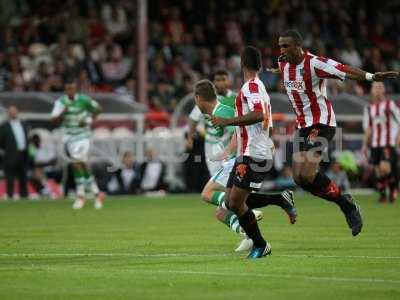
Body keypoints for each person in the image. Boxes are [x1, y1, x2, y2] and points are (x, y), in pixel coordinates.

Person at [271, 29, 398, 236]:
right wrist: (276, 70)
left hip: (321, 123)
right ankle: (345, 201)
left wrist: (371, 76)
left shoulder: (314, 63)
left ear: (298, 46)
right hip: (302, 125)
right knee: (300, 179)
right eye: (280, 46)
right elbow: (284, 69)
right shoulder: (283, 62)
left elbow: (343, 69)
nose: (282, 49)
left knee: (308, 173)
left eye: (286, 46)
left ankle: (347, 207)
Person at [194, 79, 297, 253]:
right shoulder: (215, 113)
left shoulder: (223, 111)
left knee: (208, 194)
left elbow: (240, 129)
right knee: (222, 212)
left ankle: (252, 217)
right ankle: (250, 231)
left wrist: (227, 151)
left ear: (198, 98)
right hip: (239, 158)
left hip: (239, 159)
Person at [211, 46, 285, 259]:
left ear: (242, 64)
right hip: (248, 151)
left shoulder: (251, 86)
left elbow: (259, 114)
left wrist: (227, 121)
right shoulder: (258, 86)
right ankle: (280, 200)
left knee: (235, 202)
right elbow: (266, 119)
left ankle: (261, 245)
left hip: (252, 152)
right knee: (229, 199)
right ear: (260, 65)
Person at [51, 79, 106, 209]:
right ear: (65, 90)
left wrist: (88, 120)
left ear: (76, 89)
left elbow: (98, 109)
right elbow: (52, 119)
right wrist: (62, 113)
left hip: (83, 136)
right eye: (68, 89)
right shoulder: (61, 102)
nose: (70, 91)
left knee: (77, 163)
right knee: (80, 164)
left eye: (72, 88)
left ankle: (80, 196)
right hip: (70, 137)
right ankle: (96, 193)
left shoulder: (84, 100)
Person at [188, 69, 237, 176]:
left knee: (228, 177)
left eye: (223, 79)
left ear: (229, 81)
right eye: (217, 80)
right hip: (210, 143)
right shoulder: (207, 98)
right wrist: (190, 138)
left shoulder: (236, 98)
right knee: (214, 176)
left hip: (230, 142)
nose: (220, 83)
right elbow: (194, 118)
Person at [362, 82, 400, 202]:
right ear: (371, 90)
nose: (378, 90)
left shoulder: (390, 105)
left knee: (385, 168)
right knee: (378, 172)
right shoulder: (369, 108)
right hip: (375, 144)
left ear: (384, 90)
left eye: (380, 87)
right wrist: (364, 144)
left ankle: (393, 189)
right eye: (375, 87)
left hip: (388, 143)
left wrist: (397, 140)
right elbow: (368, 128)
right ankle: (383, 195)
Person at [0, 106, 29, 199]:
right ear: (8, 113)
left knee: (23, 176)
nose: (13, 113)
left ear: (18, 112)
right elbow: (1, 141)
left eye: (14, 111)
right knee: (10, 177)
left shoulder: (24, 124)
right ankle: (10, 195)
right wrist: (8, 149)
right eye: (11, 112)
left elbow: (27, 138)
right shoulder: (4, 126)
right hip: (10, 155)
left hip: (23, 153)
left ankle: (24, 196)